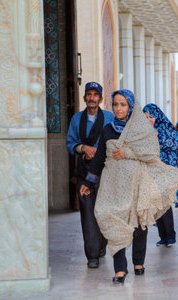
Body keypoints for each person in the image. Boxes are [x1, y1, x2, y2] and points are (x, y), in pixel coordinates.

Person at [79, 89, 178, 285]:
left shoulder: (143, 130)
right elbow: (100, 158)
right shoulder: (107, 129)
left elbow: (152, 154)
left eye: (122, 105)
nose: (118, 108)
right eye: (115, 104)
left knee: (138, 222)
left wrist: (128, 152)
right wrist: (88, 182)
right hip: (113, 185)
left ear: (131, 107)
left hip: (137, 182)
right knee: (110, 216)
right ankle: (120, 268)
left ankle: (138, 262)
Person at [66, 81, 114, 269]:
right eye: (89, 94)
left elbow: (117, 140)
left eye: (95, 95)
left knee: (103, 211)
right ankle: (92, 255)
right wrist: (83, 148)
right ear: (84, 97)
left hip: (106, 172)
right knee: (87, 212)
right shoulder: (77, 119)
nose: (92, 98)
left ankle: (101, 245)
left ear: (101, 99)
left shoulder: (110, 117)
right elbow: (70, 144)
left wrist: (99, 151)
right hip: (84, 173)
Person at [143, 103, 178, 248]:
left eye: (151, 117)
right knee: (157, 204)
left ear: (158, 116)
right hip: (152, 173)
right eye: (145, 117)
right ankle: (164, 237)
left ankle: (170, 236)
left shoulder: (166, 128)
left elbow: (174, 143)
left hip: (167, 171)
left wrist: (157, 136)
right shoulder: (144, 131)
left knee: (164, 203)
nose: (148, 120)